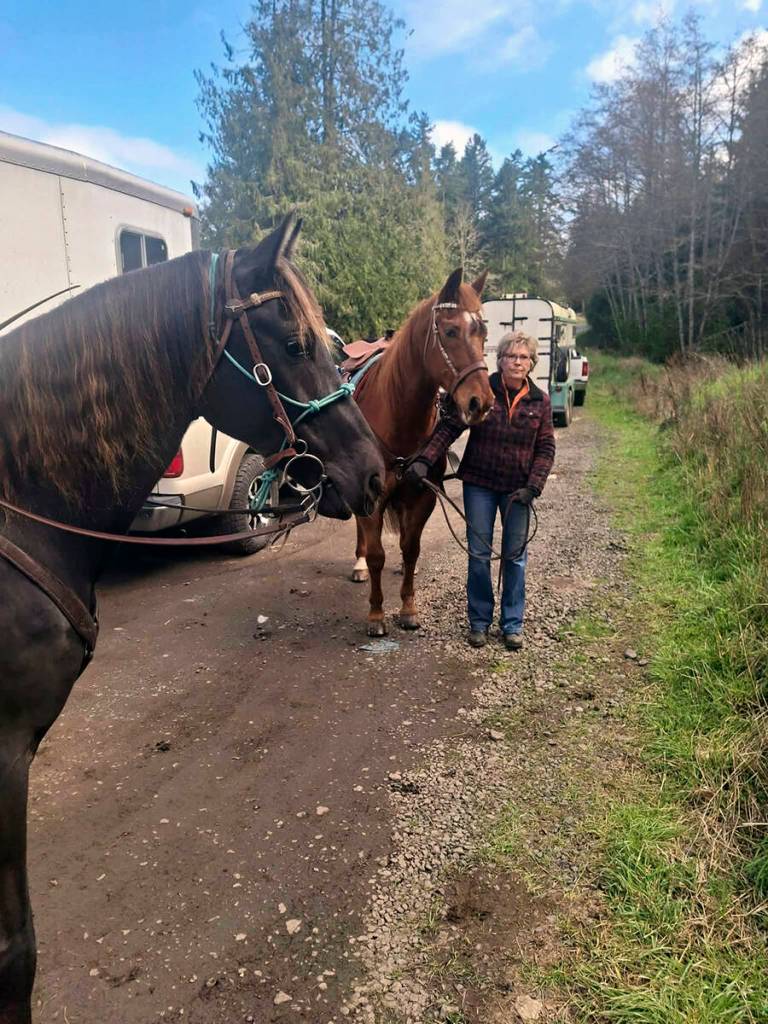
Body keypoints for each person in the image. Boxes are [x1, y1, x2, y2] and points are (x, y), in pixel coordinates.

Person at [406, 331, 555, 650]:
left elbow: (546, 448)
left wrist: (534, 486)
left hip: (518, 490)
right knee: (479, 555)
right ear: (499, 360)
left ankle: (512, 624)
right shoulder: (483, 391)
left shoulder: (540, 401)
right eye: (511, 356)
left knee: (514, 558)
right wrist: (423, 461)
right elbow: (450, 428)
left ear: (531, 363)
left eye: (523, 357)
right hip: (480, 486)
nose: (517, 361)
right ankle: (479, 622)